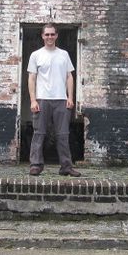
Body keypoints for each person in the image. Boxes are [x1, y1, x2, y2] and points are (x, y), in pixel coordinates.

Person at [27, 23, 81, 177]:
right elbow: (31, 78)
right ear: (42, 36)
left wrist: (70, 97)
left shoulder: (63, 54)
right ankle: (36, 165)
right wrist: (33, 100)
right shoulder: (36, 55)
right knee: (39, 133)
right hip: (42, 99)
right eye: (47, 34)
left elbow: (69, 76)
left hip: (61, 100)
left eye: (52, 34)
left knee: (63, 134)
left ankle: (66, 167)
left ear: (56, 35)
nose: (49, 37)